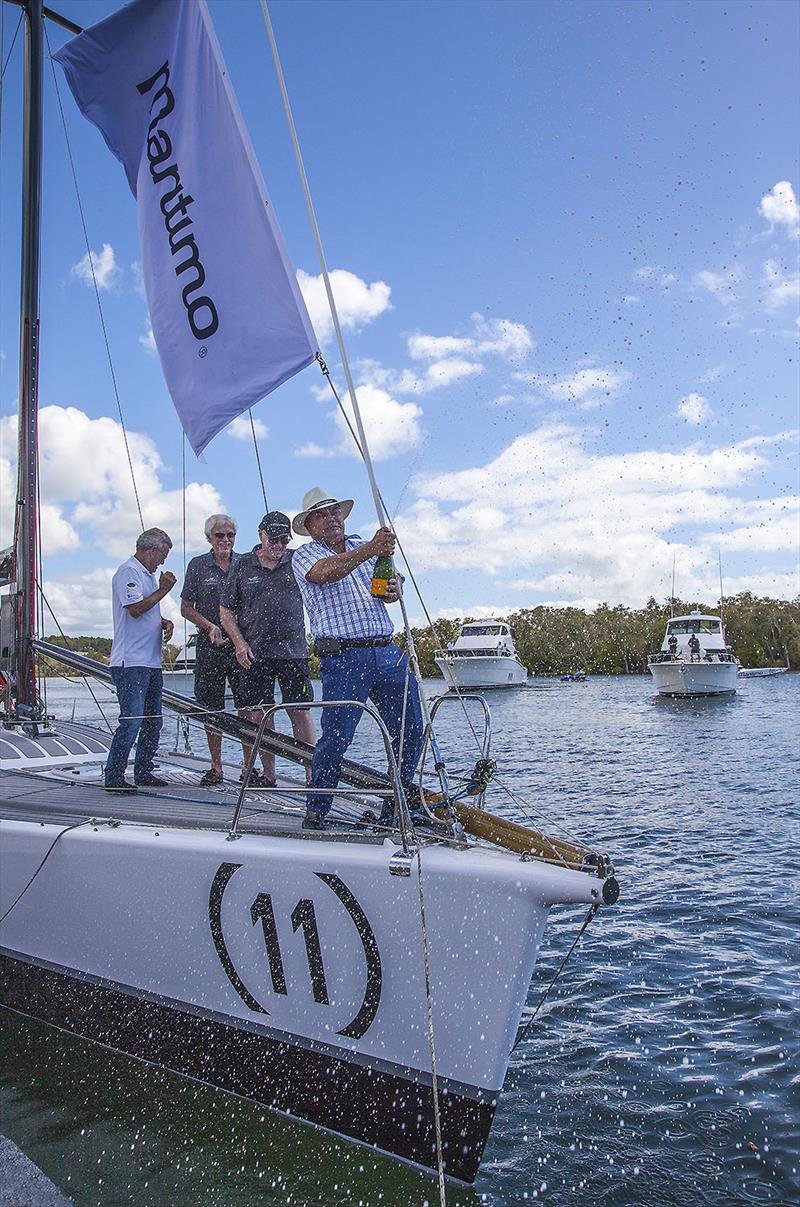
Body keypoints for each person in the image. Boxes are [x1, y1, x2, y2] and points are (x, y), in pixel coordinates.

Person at [291, 486, 424, 831]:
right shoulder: (305, 554)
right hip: (345, 657)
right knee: (337, 737)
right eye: (321, 514)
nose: (331, 518)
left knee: (410, 731)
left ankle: (398, 806)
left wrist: (394, 587)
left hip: (387, 650)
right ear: (310, 524)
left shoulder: (364, 545)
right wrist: (371, 549)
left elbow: (390, 590)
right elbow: (324, 573)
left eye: (335, 511)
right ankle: (318, 806)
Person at [220, 511, 316, 787]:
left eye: (284, 539)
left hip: (294, 651)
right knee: (258, 713)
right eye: (273, 539)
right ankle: (269, 774)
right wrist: (238, 643)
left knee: (300, 710)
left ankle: (312, 775)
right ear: (261, 534)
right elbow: (226, 610)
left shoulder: (298, 559)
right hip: (254, 653)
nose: (278, 545)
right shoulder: (242, 565)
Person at [104, 528, 176, 792]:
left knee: (153, 720)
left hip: (151, 662)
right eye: (162, 555)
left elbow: (146, 612)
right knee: (132, 720)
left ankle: (143, 770)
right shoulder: (129, 572)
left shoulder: (147, 576)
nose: (163, 562)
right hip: (130, 662)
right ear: (150, 549)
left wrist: (163, 621)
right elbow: (134, 609)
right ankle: (113, 776)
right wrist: (163, 591)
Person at [180, 514, 240, 786]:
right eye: (220, 535)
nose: (226, 540)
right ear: (208, 538)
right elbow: (186, 608)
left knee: (249, 708)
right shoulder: (197, 566)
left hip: (242, 647)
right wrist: (209, 627)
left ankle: (251, 768)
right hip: (209, 646)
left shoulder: (246, 563)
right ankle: (216, 767)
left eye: (230, 535)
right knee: (211, 709)